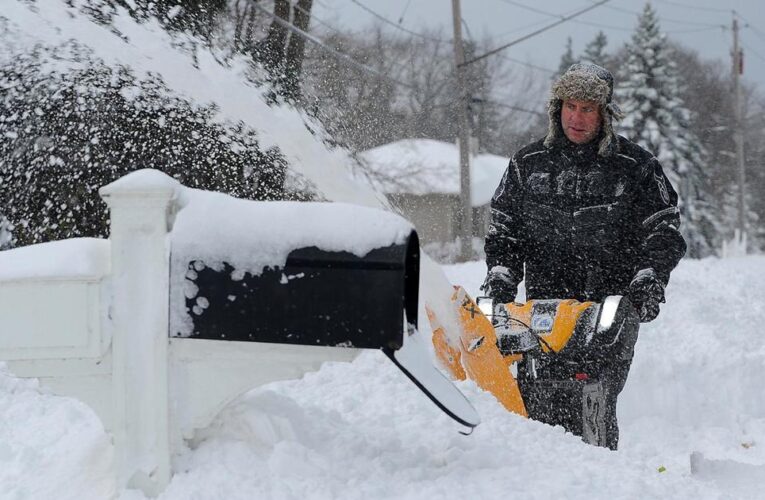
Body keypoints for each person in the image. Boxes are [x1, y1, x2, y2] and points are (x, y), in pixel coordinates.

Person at [481, 63, 686, 449]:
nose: (576, 117)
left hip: (608, 308)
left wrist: (649, 277)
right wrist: (501, 276)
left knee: (592, 396)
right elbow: (504, 231)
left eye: (587, 108)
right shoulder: (527, 166)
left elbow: (663, 231)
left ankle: (598, 473)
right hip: (543, 312)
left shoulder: (637, 168)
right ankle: (539, 475)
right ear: (556, 109)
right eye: (570, 106)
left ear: (604, 114)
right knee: (535, 397)